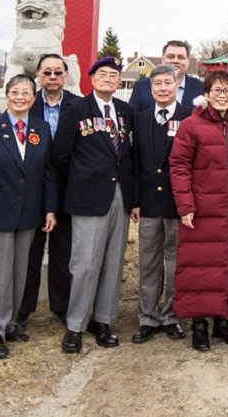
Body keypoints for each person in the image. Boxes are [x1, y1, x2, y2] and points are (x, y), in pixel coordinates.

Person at [52, 55, 135, 354]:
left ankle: (103, 321)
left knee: (113, 262)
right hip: (87, 198)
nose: (108, 79)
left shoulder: (126, 111)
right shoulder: (76, 108)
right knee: (85, 264)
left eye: (114, 75)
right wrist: (81, 181)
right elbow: (61, 155)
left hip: (120, 196)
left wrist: (133, 199)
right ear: (91, 78)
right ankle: (75, 325)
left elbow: (130, 157)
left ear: (118, 81)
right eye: (102, 74)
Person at [0, 74, 57, 359]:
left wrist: (49, 209)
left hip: (29, 214)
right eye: (15, 92)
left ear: (34, 98)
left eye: (26, 93)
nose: (20, 97)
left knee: (20, 272)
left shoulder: (41, 128)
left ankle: (10, 323)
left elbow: (47, 172)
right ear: (6, 95)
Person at [169, 70, 228, 351]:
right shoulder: (191, 125)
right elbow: (179, 166)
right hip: (201, 211)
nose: (222, 95)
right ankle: (198, 325)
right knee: (200, 269)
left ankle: (223, 321)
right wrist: (185, 204)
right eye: (216, 90)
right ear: (206, 95)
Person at [129, 64, 192, 344]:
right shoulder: (140, 119)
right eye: (158, 84)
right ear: (151, 88)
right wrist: (135, 201)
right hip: (149, 204)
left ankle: (171, 316)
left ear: (176, 85)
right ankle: (147, 317)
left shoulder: (189, 118)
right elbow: (133, 162)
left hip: (177, 205)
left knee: (176, 263)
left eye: (168, 83)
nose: (163, 88)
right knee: (148, 263)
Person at [17, 54, 76, 330]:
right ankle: (23, 309)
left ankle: (61, 307)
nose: (52, 77)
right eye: (47, 73)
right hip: (32, 190)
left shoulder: (78, 105)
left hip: (67, 189)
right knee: (30, 253)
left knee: (63, 253)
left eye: (57, 72)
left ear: (66, 76)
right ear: (38, 76)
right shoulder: (27, 105)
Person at [128, 40, 205, 112]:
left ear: (188, 62)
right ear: (162, 60)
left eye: (180, 57)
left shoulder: (200, 88)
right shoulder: (141, 87)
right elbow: (131, 119)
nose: (175, 61)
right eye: (170, 57)